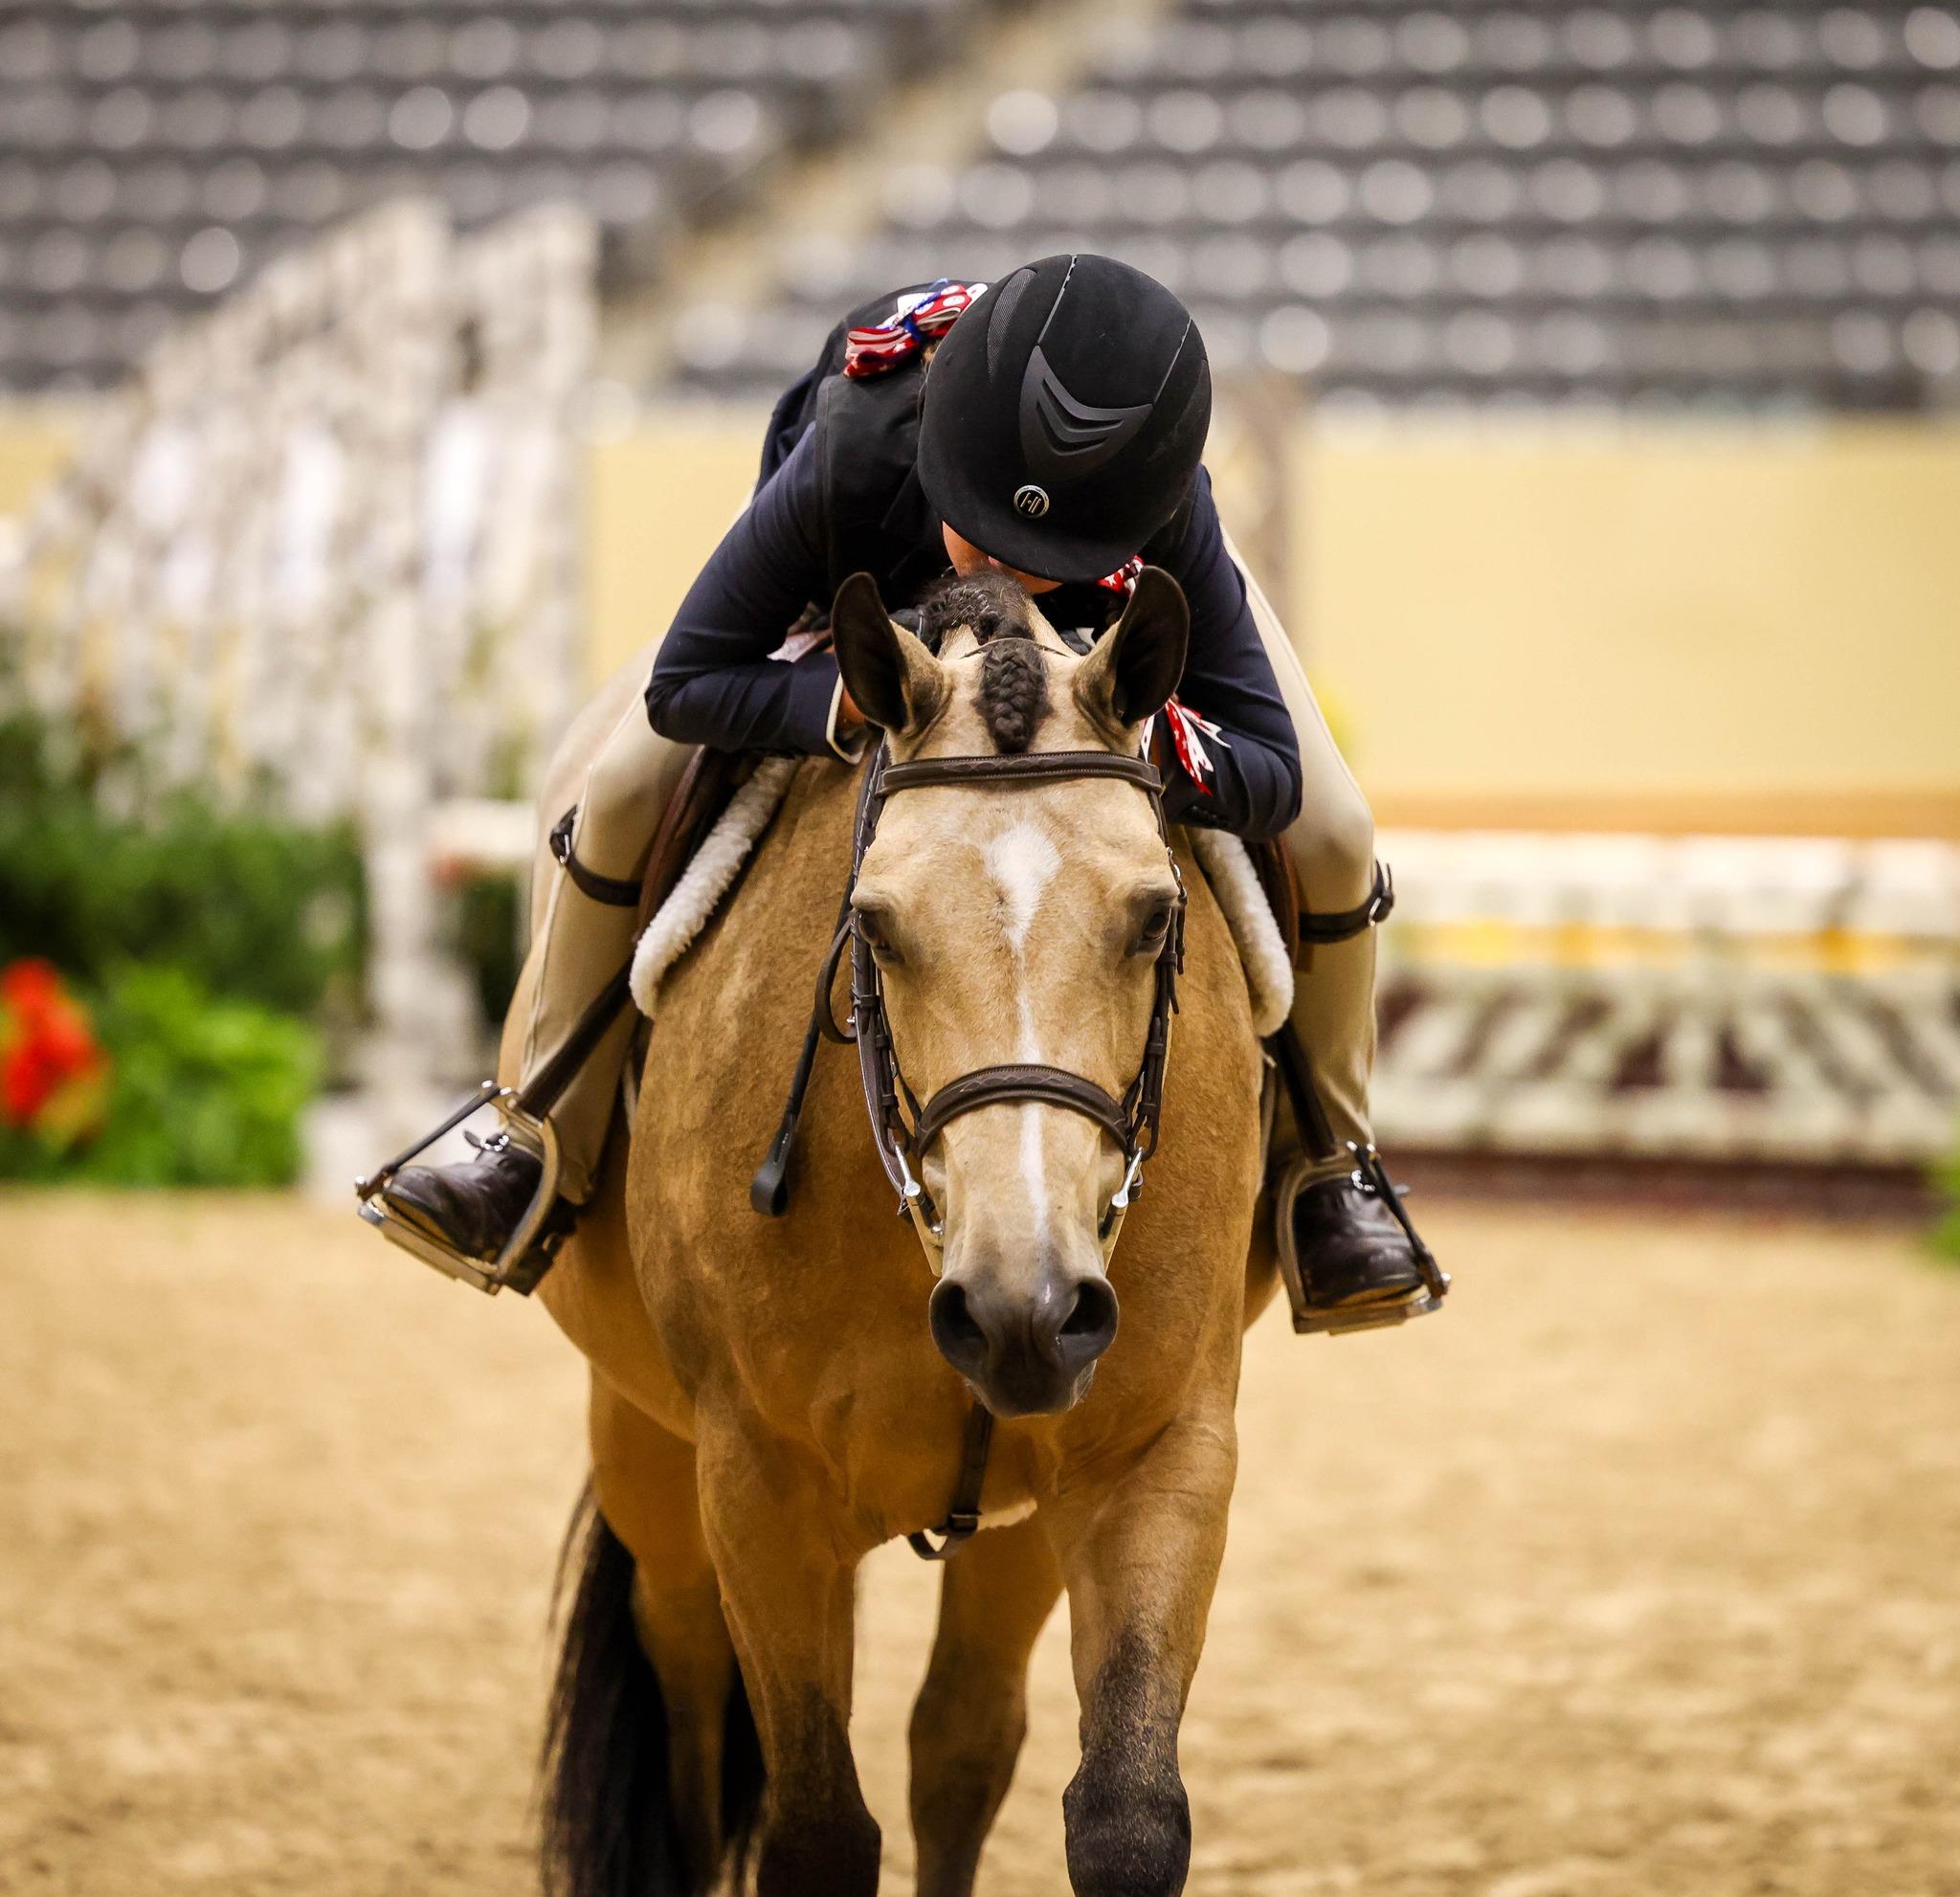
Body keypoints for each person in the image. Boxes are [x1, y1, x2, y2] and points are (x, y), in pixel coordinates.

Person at [374, 255, 1438, 1328]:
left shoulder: (1157, 506)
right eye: (984, 528)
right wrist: (846, 699)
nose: (1006, 568)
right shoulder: (857, 449)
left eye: (1043, 555)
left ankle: (1332, 1167)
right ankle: (534, 1132)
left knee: (1339, 832)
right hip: (853, 583)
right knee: (616, 787)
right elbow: (687, 681)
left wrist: (1118, 714)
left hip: (1092, 647)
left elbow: (1269, 771)